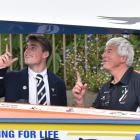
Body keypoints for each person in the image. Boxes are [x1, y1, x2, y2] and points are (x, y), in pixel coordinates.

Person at [72, 37, 140, 112]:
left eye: (109, 51)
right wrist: (79, 101)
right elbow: (91, 118)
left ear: (123, 58)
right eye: (104, 52)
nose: (103, 55)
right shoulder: (106, 87)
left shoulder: (137, 82)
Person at [0, 34, 67, 106]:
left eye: (33, 48)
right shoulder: (11, 78)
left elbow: (63, 114)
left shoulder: (59, 83)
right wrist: (1, 69)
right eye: (26, 47)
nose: (26, 51)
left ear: (45, 54)